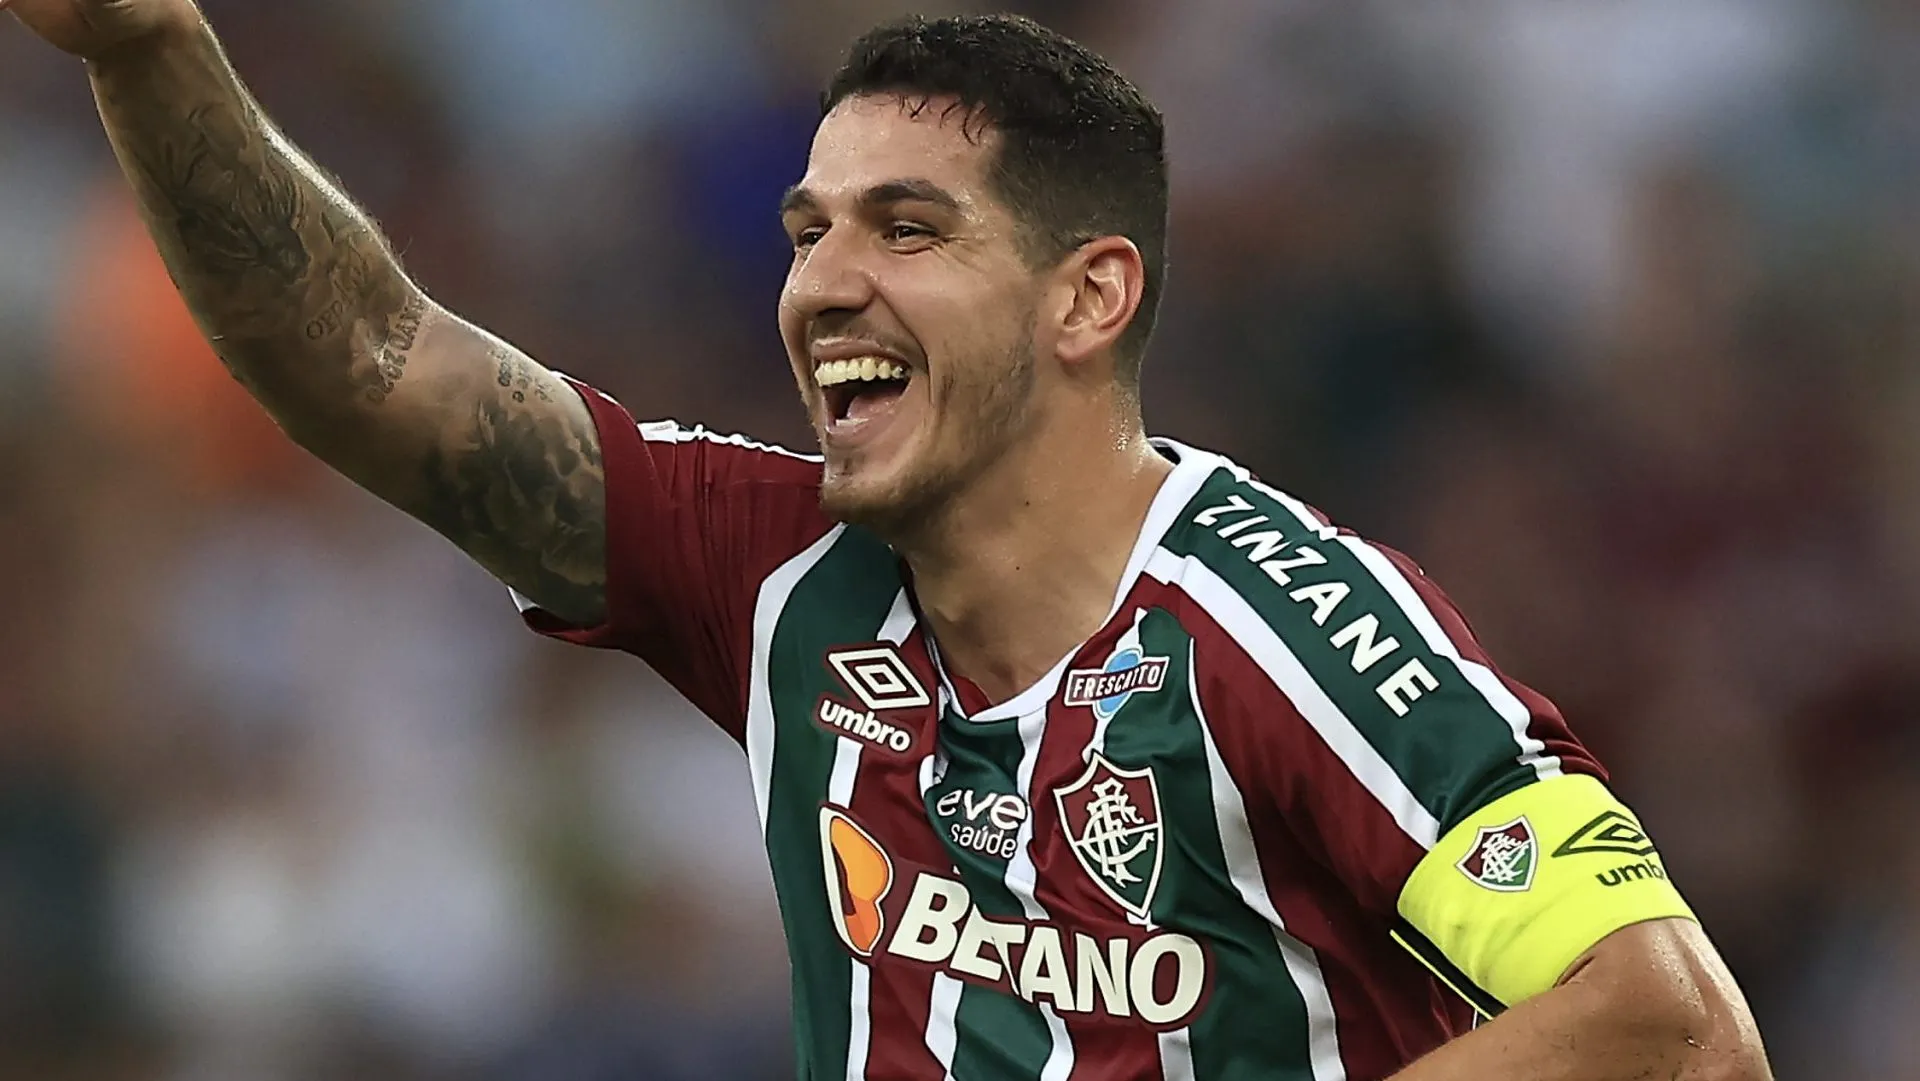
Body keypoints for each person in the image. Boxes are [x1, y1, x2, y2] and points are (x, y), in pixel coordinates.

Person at [2, 2, 1774, 1078]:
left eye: (906, 228)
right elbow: (377, 363)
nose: (823, 282)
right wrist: (153, 45)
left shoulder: (1284, 630)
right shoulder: (782, 580)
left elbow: (1674, 1026)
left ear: (1090, 297)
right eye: (808, 225)